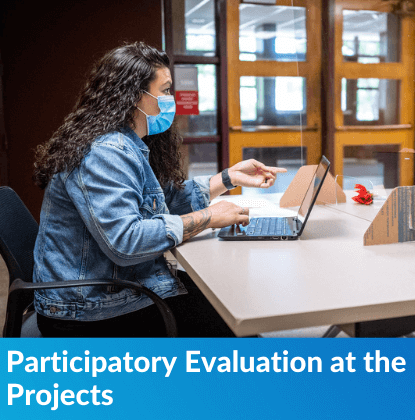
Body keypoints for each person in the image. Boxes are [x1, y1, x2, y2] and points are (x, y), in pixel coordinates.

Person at [31, 42, 286, 337]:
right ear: (134, 96)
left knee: (228, 300)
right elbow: (126, 242)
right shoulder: (105, 152)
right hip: (92, 311)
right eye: (164, 91)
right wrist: (209, 217)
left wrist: (228, 178)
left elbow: (162, 202)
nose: (170, 99)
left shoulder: (126, 143)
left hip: (112, 291)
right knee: (235, 322)